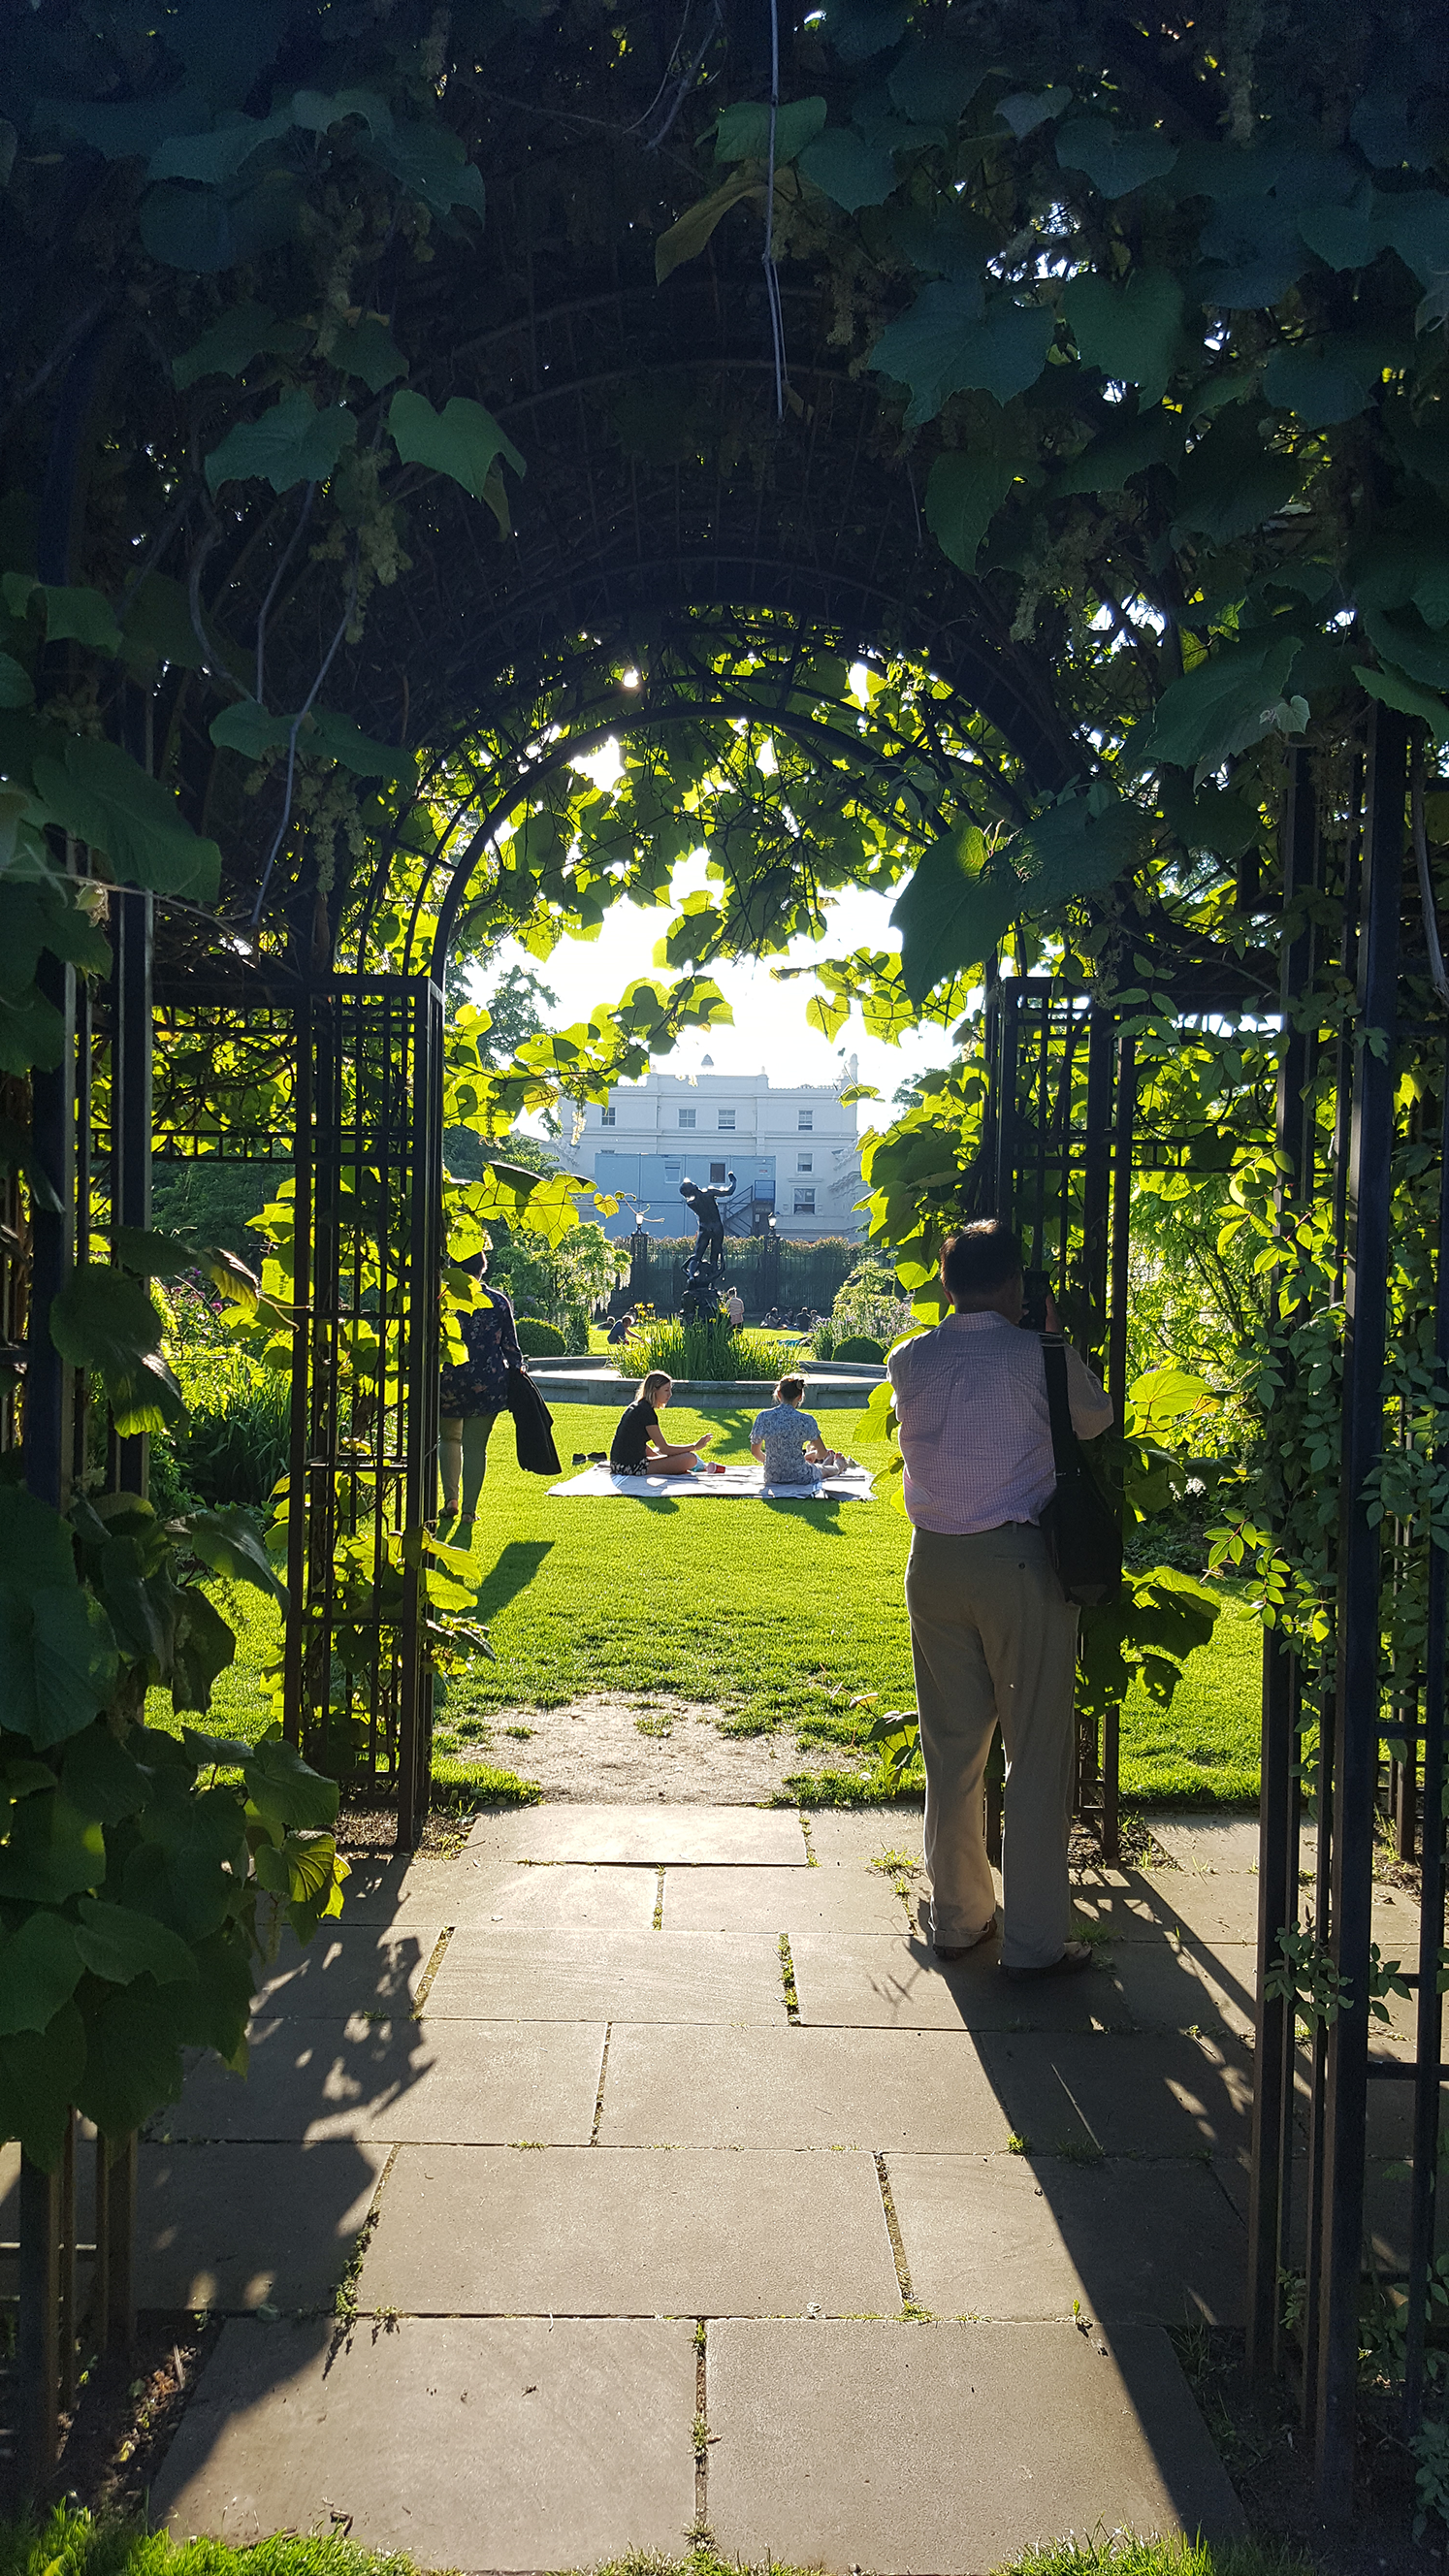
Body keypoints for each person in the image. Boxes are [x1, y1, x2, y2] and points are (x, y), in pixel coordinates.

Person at [888, 1218, 1113, 1980]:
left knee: (951, 1749)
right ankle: (1036, 1942)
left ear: (945, 1286)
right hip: (1019, 1563)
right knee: (1037, 1751)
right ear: (1015, 1283)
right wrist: (1054, 1343)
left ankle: (959, 1918)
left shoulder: (908, 1359)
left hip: (934, 1565)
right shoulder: (1034, 1355)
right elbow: (1096, 1417)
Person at [438, 1249, 526, 1530]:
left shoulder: (442, 1299)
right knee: (476, 1448)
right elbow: (510, 1346)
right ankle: (469, 1510)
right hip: (487, 1383)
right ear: (482, 1269)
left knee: (449, 1439)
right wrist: (517, 1370)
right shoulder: (497, 1301)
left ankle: (450, 1498)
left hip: (448, 1379)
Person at [609, 1370, 723, 1475]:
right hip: (629, 1467)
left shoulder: (638, 1407)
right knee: (690, 1458)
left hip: (618, 1465)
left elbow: (636, 1443)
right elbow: (665, 1448)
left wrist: (663, 1459)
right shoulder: (646, 1411)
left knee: (667, 1454)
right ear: (654, 1390)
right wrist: (695, 1446)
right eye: (666, 1390)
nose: (670, 1394)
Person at [750, 1372, 853, 1485]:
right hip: (800, 1476)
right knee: (826, 1470)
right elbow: (823, 1452)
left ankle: (819, 1464)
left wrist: (774, 1463)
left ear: (779, 1394)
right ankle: (838, 1465)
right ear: (800, 1397)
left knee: (814, 1467)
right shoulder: (806, 1420)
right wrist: (813, 1454)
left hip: (772, 1476)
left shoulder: (763, 1417)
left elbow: (755, 1451)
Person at [679, 1172, 736, 1269]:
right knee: (714, 1257)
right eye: (691, 1184)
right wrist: (734, 1181)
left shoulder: (691, 1204)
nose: (694, 1184)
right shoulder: (710, 1193)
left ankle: (692, 1276)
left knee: (697, 1256)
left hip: (704, 1228)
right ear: (693, 1187)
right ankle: (712, 1279)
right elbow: (729, 1191)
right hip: (717, 1227)